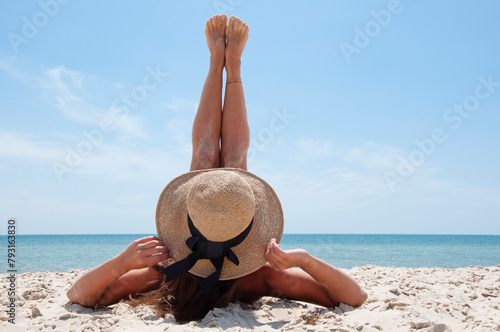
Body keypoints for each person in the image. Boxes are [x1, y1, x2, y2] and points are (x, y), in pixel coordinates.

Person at [67, 15, 367, 322]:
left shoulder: (166, 274)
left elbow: (79, 296)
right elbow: (353, 297)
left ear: (187, 226)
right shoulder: (256, 277)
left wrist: (120, 263)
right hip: (229, 262)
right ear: (246, 237)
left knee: (205, 161)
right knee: (231, 169)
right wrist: (305, 261)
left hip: (189, 264)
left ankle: (217, 63)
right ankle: (232, 64)